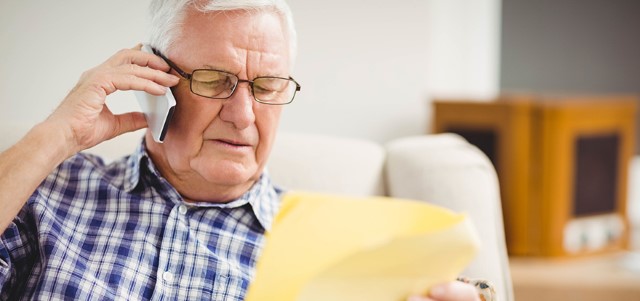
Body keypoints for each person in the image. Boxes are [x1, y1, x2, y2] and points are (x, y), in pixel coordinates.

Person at [0, 0, 483, 300]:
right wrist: (55, 136)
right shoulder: (47, 191)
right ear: (153, 80)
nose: (244, 115)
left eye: (268, 86)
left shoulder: (329, 247)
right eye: (215, 81)